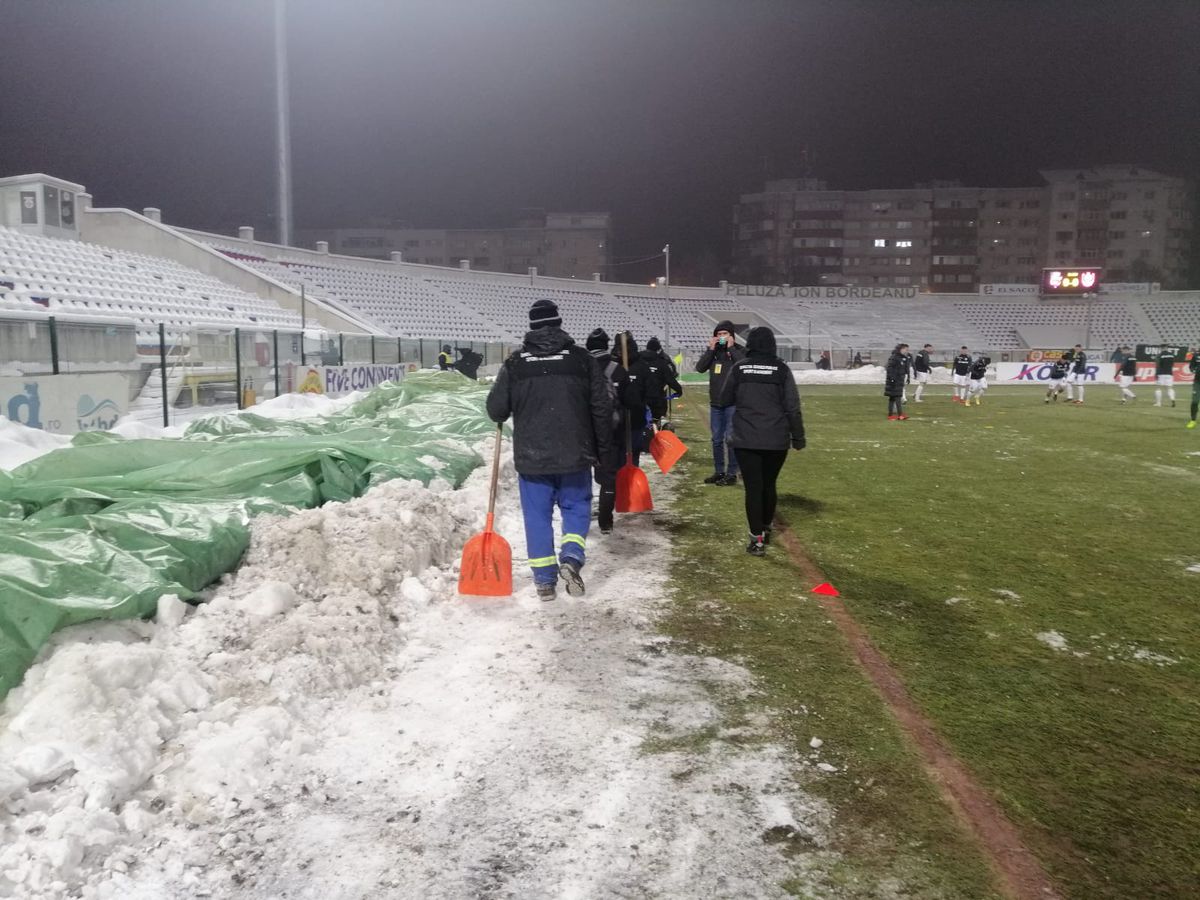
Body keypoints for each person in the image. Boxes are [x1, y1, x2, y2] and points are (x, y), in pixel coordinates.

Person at [486, 299, 613, 601]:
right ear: (558, 324)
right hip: (575, 453)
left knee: (537, 516)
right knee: (576, 507)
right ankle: (571, 557)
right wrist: (604, 452)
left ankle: (544, 581)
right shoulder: (582, 360)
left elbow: (496, 410)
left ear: (530, 327)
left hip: (533, 458)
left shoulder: (516, 363)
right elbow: (602, 408)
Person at [716, 326, 805, 556]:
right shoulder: (782, 369)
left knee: (753, 487)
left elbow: (724, 399)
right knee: (768, 484)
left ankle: (756, 538)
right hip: (776, 438)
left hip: (746, 438)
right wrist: (798, 437)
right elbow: (792, 407)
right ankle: (765, 527)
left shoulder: (739, 368)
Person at [585, 327, 637, 534]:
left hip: (585, 431)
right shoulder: (618, 369)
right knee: (609, 476)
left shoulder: (581, 368)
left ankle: (582, 513)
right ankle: (606, 520)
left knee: (582, 476)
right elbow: (632, 402)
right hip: (612, 432)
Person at [695, 321, 744, 485]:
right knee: (716, 439)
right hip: (716, 403)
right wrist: (710, 349)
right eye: (719, 334)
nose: (721, 337)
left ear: (732, 336)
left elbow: (742, 367)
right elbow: (700, 368)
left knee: (730, 439)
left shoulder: (739, 351)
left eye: (725, 334)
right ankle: (719, 471)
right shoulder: (713, 353)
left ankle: (732, 473)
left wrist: (731, 348)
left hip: (732, 403)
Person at [618, 332, 651, 469]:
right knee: (628, 451)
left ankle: (629, 475)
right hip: (624, 418)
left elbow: (648, 391)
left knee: (626, 452)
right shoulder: (615, 367)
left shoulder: (641, 366)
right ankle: (627, 474)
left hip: (630, 417)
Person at [641, 336, 684, 428]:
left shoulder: (638, 359)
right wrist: (679, 390)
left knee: (642, 420)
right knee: (655, 420)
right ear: (658, 349)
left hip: (640, 397)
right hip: (657, 397)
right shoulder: (662, 361)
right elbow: (671, 377)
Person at [885, 343, 910, 420]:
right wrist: (892, 378)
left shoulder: (902, 358)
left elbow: (903, 369)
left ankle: (890, 415)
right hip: (894, 381)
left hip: (898, 380)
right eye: (906, 349)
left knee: (892, 398)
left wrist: (907, 376)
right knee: (897, 397)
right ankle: (900, 415)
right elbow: (889, 368)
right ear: (901, 349)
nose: (907, 351)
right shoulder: (894, 357)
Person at [1188, 348, 1199, 429]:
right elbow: (1191, 366)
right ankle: (1193, 420)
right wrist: (1194, 370)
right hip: (1198, 382)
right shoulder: (1196, 355)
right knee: (1195, 401)